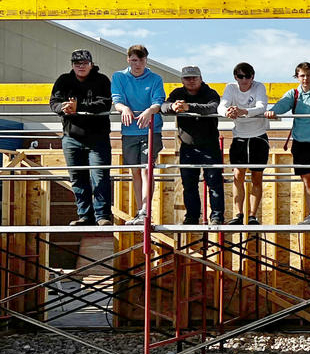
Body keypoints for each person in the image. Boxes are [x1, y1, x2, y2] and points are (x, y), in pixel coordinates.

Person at [264, 62, 310, 225]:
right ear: (297, 77)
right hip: (300, 143)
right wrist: (273, 111)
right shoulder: (294, 94)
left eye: (309, 75)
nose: (305, 78)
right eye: (302, 75)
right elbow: (282, 104)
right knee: (307, 181)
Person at [49, 49, 113, 226]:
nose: (81, 66)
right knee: (77, 178)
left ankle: (102, 216)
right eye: (77, 63)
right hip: (71, 138)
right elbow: (53, 102)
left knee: (100, 177)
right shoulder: (63, 81)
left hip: (97, 139)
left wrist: (79, 107)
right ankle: (85, 216)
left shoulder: (102, 80)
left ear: (91, 64)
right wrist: (63, 107)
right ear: (72, 65)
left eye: (84, 63)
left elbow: (105, 103)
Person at [111, 44, 165, 225]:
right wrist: (124, 108)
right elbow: (117, 100)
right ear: (128, 60)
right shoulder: (119, 77)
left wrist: (149, 111)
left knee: (146, 168)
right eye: (134, 60)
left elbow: (158, 102)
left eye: (141, 60)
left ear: (146, 60)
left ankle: (145, 210)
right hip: (130, 131)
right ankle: (139, 210)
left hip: (151, 130)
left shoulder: (155, 79)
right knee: (134, 170)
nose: (137, 63)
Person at [164, 66, 224, 225]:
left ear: (201, 78)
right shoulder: (177, 94)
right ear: (182, 80)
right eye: (187, 78)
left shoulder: (210, 93)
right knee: (189, 184)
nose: (191, 81)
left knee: (214, 182)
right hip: (188, 147)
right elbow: (163, 106)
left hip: (209, 146)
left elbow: (212, 107)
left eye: (194, 78)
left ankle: (217, 216)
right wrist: (172, 107)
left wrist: (188, 107)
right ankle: (192, 216)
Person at [219, 62, 268, 226]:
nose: (244, 79)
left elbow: (261, 107)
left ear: (253, 77)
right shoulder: (231, 88)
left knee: (256, 177)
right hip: (239, 136)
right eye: (241, 76)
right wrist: (227, 112)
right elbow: (222, 105)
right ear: (235, 77)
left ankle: (253, 215)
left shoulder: (259, 87)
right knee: (237, 175)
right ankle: (238, 214)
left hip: (258, 136)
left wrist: (243, 111)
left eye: (248, 76)